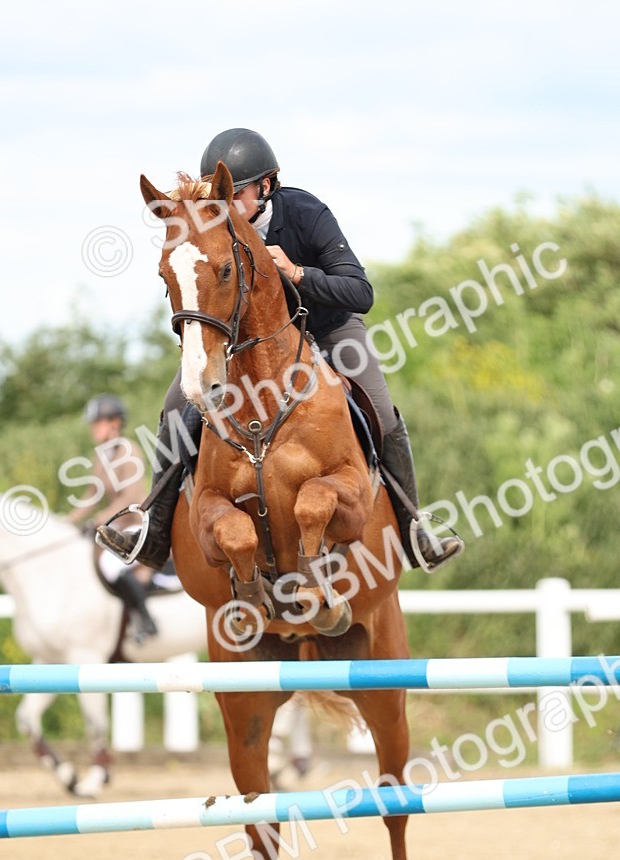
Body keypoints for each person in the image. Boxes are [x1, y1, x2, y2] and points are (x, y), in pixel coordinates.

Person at [98, 127, 464, 573]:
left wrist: (297, 273)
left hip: (329, 328)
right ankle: (153, 531)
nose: (224, 206)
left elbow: (360, 292)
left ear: (266, 186)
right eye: (218, 197)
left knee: (382, 414)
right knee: (176, 406)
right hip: (248, 343)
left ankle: (414, 530)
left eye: (235, 194)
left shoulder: (306, 213)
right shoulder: (213, 230)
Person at [70, 393, 158, 641]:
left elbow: (130, 496)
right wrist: (67, 522)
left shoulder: (130, 450)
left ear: (115, 423)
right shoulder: (101, 456)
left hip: (137, 523)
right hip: (116, 526)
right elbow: (92, 494)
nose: (93, 428)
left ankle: (146, 620)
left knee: (110, 566)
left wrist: (99, 519)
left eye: (98, 423)